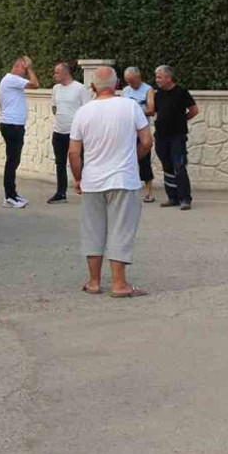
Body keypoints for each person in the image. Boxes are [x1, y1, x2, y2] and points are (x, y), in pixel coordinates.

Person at [69, 66, 152, 298]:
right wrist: (132, 160)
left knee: (93, 230)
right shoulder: (131, 106)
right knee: (120, 230)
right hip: (123, 179)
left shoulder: (83, 112)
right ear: (117, 85)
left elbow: (74, 153)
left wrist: (79, 178)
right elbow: (146, 141)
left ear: (93, 86)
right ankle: (119, 283)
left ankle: (94, 282)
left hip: (92, 180)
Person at [151, 65, 198, 210]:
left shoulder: (181, 92)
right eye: (156, 77)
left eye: (159, 77)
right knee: (167, 166)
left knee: (179, 165)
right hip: (161, 136)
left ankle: (185, 198)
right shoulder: (157, 94)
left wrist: (181, 121)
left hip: (177, 136)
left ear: (168, 78)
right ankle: (172, 197)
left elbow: (194, 110)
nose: (156, 80)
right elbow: (156, 112)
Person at [0, 55, 40, 208]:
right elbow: (35, 84)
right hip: (12, 125)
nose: (25, 72)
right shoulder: (11, 79)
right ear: (18, 66)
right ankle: (9, 196)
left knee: (14, 160)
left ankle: (12, 194)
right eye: (25, 68)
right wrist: (30, 69)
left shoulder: (10, 81)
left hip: (13, 125)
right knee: (12, 161)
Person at [48, 62, 91, 204]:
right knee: (60, 163)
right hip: (59, 131)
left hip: (76, 134)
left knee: (81, 161)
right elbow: (54, 108)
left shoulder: (80, 88)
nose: (54, 75)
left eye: (57, 72)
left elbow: (87, 110)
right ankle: (61, 193)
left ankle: (86, 191)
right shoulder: (55, 89)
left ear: (66, 73)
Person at [121, 66, 157, 203]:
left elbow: (151, 109)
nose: (130, 84)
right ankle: (127, 191)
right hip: (127, 131)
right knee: (126, 161)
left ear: (138, 77)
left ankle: (148, 192)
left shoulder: (148, 89)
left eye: (132, 81)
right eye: (127, 81)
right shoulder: (125, 91)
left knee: (144, 161)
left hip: (142, 131)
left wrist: (136, 112)